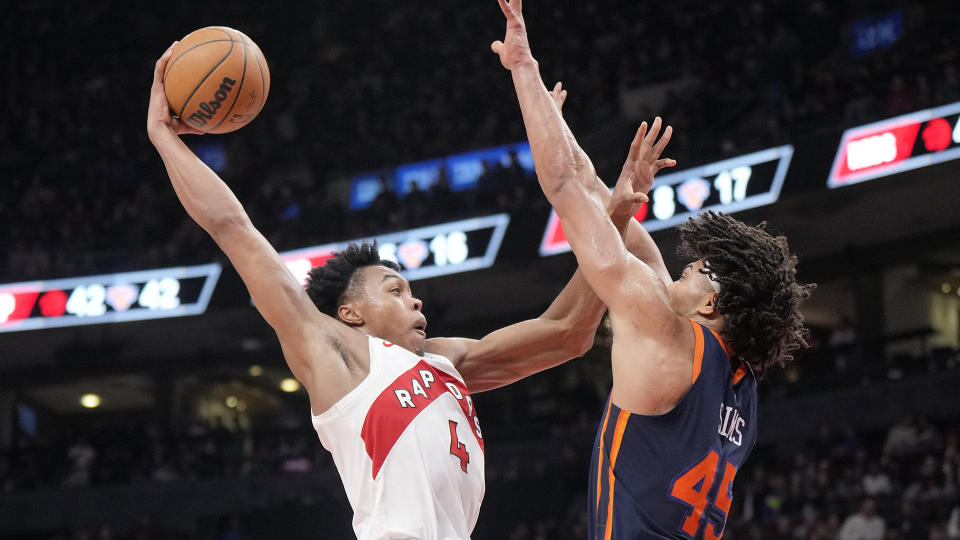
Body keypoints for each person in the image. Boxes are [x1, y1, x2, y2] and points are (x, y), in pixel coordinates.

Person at [146, 42, 668, 540]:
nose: (416, 300)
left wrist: (616, 215)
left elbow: (566, 333)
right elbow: (234, 229)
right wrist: (164, 138)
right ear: (349, 313)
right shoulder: (333, 354)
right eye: (395, 290)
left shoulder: (445, 363)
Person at [490, 1, 814, 538]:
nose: (686, 268)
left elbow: (565, 189)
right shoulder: (741, 390)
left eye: (701, 270)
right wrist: (558, 124)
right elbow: (598, 193)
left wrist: (523, 67)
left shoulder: (663, 326)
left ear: (712, 305)